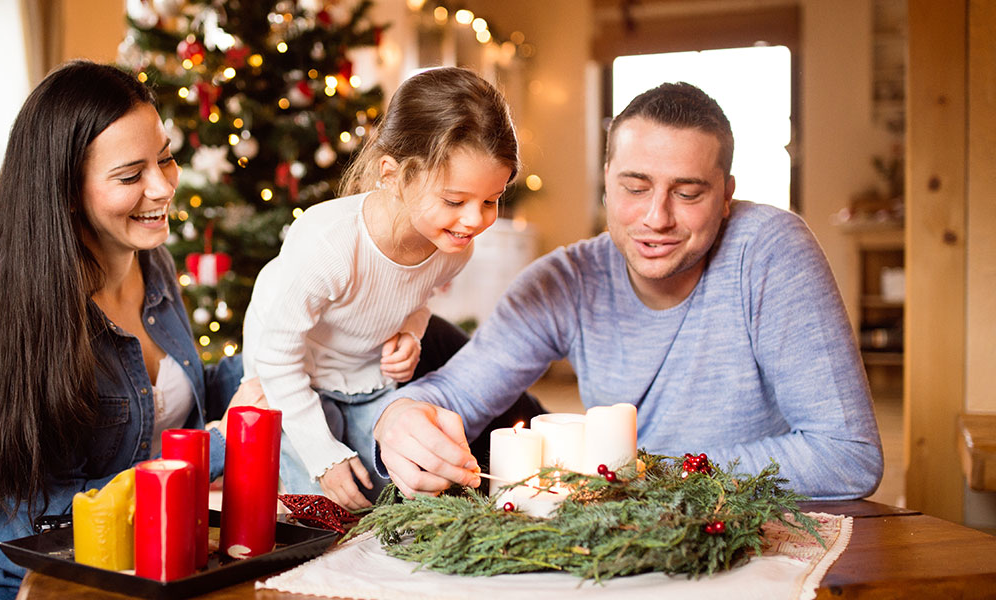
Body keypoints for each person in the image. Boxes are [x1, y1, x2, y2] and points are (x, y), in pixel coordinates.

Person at [372, 82, 884, 502]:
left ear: (726, 195)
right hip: (617, 517)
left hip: (729, 524)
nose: (657, 218)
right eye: (636, 188)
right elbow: (454, 394)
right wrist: (398, 417)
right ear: (606, 182)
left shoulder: (770, 250)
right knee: (437, 342)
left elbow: (847, 455)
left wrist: (637, 474)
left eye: (688, 193)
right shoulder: (567, 279)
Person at [0, 61, 263, 599]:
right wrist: (214, 449)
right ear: (66, 191)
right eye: (131, 176)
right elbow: (27, 518)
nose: (162, 187)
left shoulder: (152, 266)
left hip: (144, 568)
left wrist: (289, 355)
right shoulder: (21, 313)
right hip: (20, 583)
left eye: (166, 158)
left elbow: (177, 394)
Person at [240, 66, 520, 510]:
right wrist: (321, 455)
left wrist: (410, 331)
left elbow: (416, 299)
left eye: (490, 200)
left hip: (365, 379)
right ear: (392, 175)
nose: (474, 220)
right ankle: (226, 436)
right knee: (324, 506)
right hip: (287, 376)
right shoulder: (329, 243)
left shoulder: (453, 247)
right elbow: (276, 356)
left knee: (403, 488)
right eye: (455, 201)